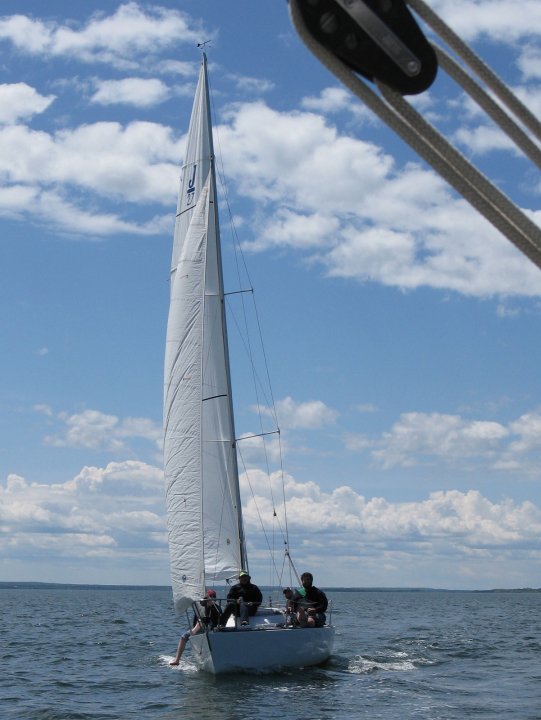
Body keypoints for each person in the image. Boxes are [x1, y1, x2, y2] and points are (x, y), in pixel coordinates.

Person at [169, 589, 220, 666]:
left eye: (213, 598)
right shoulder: (201, 607)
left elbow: (217, 621)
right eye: (210, 598)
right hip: (201, 628)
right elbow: (198, 620)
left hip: (212, 630)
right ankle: (177, 660)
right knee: (184, 637)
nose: (211, 600)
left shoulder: (216, 609)